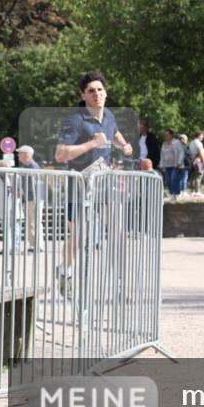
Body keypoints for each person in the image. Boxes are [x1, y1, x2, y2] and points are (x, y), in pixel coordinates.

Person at [54, 71, 134, 283]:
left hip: (102, 181)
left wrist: (124, 145)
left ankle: (119, 279)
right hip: (79, 184)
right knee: (79, 235)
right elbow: (60, 154)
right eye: (91, 91)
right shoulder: (75, 121)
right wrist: (91, 144)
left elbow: (114, 132)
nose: (96, 93)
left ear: (106, 93)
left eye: (100, 89)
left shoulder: (109, 115)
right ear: (83, 96)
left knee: (117, 229)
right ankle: (64, 271)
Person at [16, 145, 41, 251]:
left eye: (20, 153)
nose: (18, 155)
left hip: (34, 197)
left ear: (26, 154)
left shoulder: (32, 166)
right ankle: (33, 245)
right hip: (30, 197)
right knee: (31, 222)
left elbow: (34, 183)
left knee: (34, 221)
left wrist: (23, 191)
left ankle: (37, 245)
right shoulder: (28, 166)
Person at [160, 130, 185, 202]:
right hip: (167, 165)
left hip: (175, 165)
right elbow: (162, 155)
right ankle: (172, 194)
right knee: (168, 180)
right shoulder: (164, 144)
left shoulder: (177, 142)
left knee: (173, 179)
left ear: (171, 135)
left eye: (167, 135)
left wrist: (179, 162)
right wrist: (161, 164)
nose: (166, 136)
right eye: (165, 135)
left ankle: (175, 194)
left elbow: (181, 153)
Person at [189, 131, 204, 196]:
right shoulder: (199, 143)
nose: (203, 137)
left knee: (194, 176)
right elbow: (201, 153)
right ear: (199, 135)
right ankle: (197, 191)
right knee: (199, 176)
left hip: (193, 161)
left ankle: (193, 191)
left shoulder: (191, 142)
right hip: (199, 161)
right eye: (202, 135)